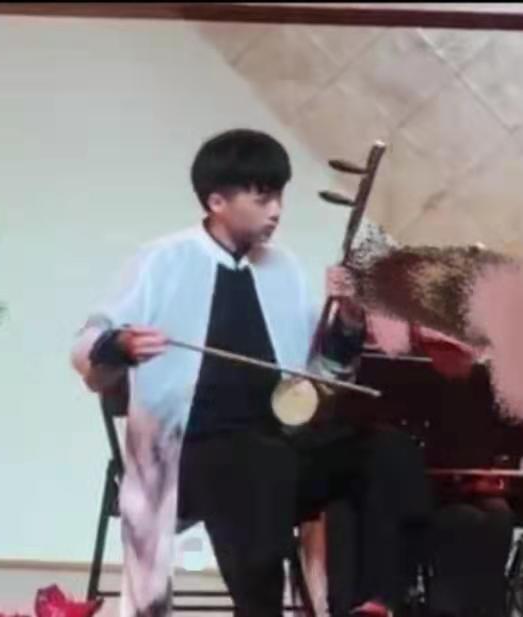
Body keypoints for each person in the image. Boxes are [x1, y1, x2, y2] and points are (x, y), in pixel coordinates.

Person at [71, 129, 431, 617]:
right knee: (256, 462)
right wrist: (123, 345)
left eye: (279, 196)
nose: (276, 210)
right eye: (262, 198)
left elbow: (323, 372)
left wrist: (348, 316)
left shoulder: (283, 268)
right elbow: (89, 342)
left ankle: (375, 602)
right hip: (189, 455)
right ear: (216, 201)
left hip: (278, 447)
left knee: (390, 451)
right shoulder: (161, 260)